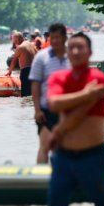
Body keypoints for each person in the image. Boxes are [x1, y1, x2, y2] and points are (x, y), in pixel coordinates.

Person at [46, 32, 104, 206]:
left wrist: (58, 130)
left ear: (90, 52)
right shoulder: (58, 78)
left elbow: (79, 114)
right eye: (71, 47)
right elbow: (54, 104)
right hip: (63, 156)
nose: (76, 51)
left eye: (81, 47)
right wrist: (86, 94)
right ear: (66, 52)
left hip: (92, 155)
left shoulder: (98, 78)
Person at [29, 23, 69, 164]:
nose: (55, 40)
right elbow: (35, 84)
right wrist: (37, 110)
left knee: (63, 149)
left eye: (58, 37)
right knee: (44, 147)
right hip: (46, 111)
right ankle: (40, 182)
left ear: (65, 38)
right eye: (53, 37)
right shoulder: (41, 57)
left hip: (67, 110)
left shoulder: (72, 56)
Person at [6, 32, 37, 97]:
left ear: (17, 39)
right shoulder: (31, 44)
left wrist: (9, 71)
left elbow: (14, 61)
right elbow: (38, 54)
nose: (14, 43)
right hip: (34, 70)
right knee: (33, 92)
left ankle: (25, 105)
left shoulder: (20, 47)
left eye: (14, 41)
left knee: (25, 94)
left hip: (26, 71)